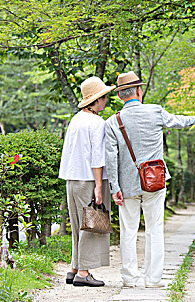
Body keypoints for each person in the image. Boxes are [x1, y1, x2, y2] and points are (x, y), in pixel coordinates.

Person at [105, 71, 195, 288]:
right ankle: (153, 279)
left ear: (121, 96)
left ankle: (130, 278)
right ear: (139, 91)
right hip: (155, 181)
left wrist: (114, 186)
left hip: (127, 184)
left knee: (129, 230)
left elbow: (110, 157)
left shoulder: (113, 121)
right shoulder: (155, 111)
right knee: (154, 228)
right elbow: (177, 122)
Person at [59, 76, 115, 287]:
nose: (106, 99)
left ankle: (74, 267)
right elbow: (97, 157)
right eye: (104, 96)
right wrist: (99, 187)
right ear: (98, 99)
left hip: (72, 179)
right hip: (89, 179)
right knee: (92, 224)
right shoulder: (96, 123)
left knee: (77, 224)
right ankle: (83, 272)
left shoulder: (77, 119)